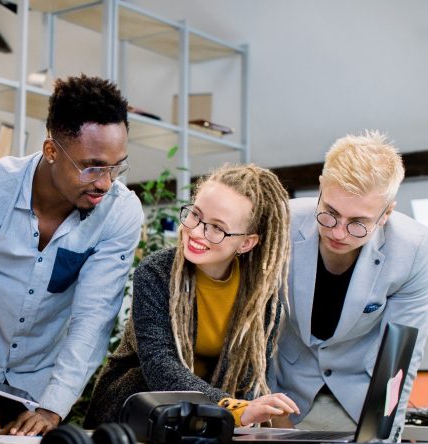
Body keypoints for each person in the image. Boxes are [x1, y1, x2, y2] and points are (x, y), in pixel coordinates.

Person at [0, 74, 144, 436]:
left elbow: (92, 320)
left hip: (40, 382)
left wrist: (53, 408)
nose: (105, 182)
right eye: (91, 166)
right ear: (51, 150)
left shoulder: (119, 213)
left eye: (116, 166)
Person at [85, 164, 300, 428]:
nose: (196, 232)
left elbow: (249, 381)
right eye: (195, 215)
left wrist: (249, 412)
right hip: (136, 411)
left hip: (207, 423)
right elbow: (160, 368)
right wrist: (232, 408)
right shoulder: (157, 272)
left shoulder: (262, 300)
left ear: (246, 243)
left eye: (217, 228)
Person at [270, 131, 428, 439]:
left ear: (387, 214)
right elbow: (255, 329)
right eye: (330, 213)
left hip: (360, 398)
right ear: (320, 187)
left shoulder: (415, 250)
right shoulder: (281, 224)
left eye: (358, 223)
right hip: (286, 390)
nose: (339, 232)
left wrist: (383, 437)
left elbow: (399, 359)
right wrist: (263, 413)